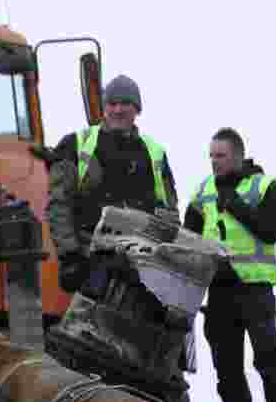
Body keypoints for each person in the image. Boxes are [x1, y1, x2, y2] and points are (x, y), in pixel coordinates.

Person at [185, 128, 276, 402]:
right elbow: (188, 239)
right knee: (227, 368)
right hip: (218, 292)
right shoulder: (203, 191)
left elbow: (272, 230)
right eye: (211, 156)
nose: (214, 162)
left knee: (267, 359)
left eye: (220, 156)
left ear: (237, 155)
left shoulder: (265, 186)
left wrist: (234, 205)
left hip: (255, 289)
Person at [46, 74, 179, 295]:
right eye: (112, 103)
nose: (118, 110)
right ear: (104, 107)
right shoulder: (76, 144)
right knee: (86, 328)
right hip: (91, 263)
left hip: (140, 269)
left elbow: (170, 212)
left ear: (137, 109)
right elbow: (58, 205)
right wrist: (70, 256)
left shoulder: (154, 153)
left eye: (125, 103)